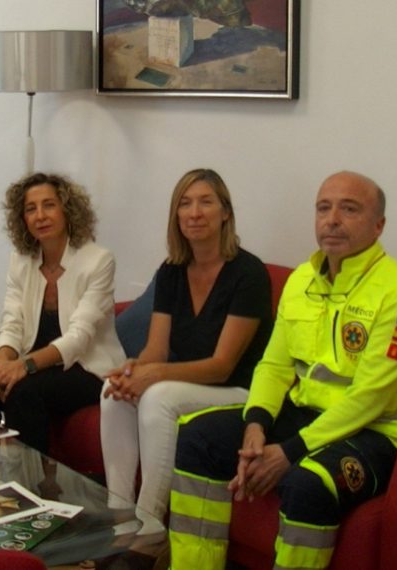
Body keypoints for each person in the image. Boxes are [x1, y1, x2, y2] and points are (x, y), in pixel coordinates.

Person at [167, 171, 397, 569]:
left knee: (309, 482)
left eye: (349, 209)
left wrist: (289, 452)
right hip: (306, 414)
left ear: (378, 225)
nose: (332, 220)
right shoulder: (302, 281)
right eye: (323, 208)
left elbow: (370, 399)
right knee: (199, 437)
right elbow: (274, 365)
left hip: (378, 432)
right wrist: (255, 425)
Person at [100, 168, 273, 536]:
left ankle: (149, 525)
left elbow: (222, 366)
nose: (194, 213)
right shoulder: (172, 271)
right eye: (185, 203)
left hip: (240, 389)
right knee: (112, 392)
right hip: (193, 383)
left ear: (225, 212)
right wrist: (133, 368)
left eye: (205, 202)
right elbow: (157, 349)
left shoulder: (249, 273)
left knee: (157, 396)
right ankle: (119, 516)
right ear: (175, 215)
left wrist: (154, 375)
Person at [0, 172, 125, 455]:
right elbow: (12, 322)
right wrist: (2, 363)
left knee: (24, 391)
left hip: (86, 367)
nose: (40, 216)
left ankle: (27, 478)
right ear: (22, 219)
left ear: (67, 210)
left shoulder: (98, 260)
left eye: (49, 205)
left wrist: (23, 366)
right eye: (31, 209)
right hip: (37, 364)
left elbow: (78, 338)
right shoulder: (21, 260)